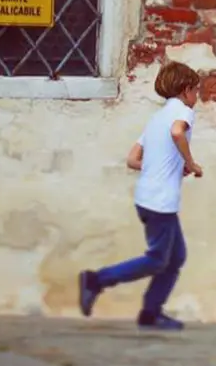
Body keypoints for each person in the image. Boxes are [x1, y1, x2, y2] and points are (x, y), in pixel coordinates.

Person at [77, 61, 204, 331]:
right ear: (185, 90)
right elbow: (177, 132)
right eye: (196, 91)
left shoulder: (157, 117)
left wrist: (169, 167)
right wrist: (191, 164)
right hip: (161, 201)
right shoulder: (182, 112)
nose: (197, 97)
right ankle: (97, 280)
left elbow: (133, 159)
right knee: (159, 259)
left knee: (175, 257)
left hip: (147, 197)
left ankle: (150, 313)